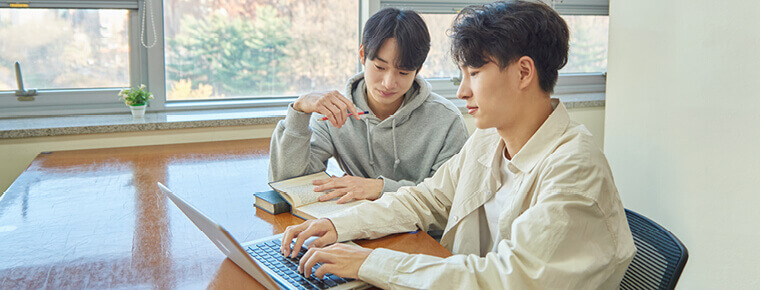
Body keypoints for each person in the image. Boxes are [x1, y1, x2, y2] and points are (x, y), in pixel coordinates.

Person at [278, 1, 637, 289]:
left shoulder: (574, 169)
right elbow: (426, 198)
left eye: (475, 74)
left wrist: (370, 263)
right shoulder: (489, 138)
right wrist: (339, 225)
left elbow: (507, 279)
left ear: (524, 72)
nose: (463, 91)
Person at [269, 8, 468, 203]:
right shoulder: (337, 110)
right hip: (356, 228)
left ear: (418, 70)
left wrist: (380, 189)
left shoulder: (447, 120)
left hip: (420, 233)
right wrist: (299, 112)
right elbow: (287, 183)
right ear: (363, 55)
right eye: (380, 67)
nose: (389, 83)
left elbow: (447, 200)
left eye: (403, 72)